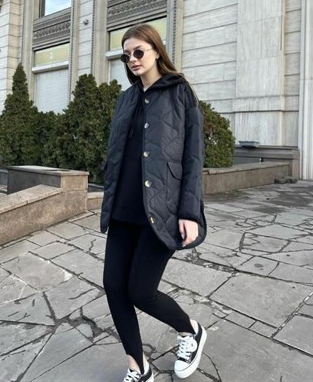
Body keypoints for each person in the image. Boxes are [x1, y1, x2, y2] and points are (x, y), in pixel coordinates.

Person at [100, 24, 208, 382]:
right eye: (126, 55)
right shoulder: (126, 99)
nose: (132, 59)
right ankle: (138, 366)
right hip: (123, 209)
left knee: (141, 291)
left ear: (157, 51)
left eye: (138, 52)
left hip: (162, 210)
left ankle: (191, 330)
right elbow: (117, 153)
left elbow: (193, 156)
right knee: (114, 287)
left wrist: (189, 212)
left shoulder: (180, 92)